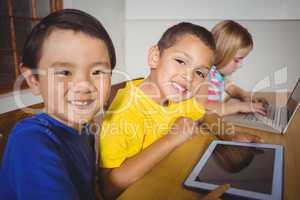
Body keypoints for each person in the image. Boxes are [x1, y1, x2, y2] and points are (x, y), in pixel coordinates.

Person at [98, 22, 260, 200]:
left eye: (199, 73)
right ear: (155, 57)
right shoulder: (125, 111)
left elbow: (204, 113)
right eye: (180, 61)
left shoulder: (177, 99)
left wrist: (230, 135)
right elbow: (108, 188)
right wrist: (171, 139)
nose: (188, 77)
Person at [0, 9, 115, 200]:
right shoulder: (31, 142)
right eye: (64, 72)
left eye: (97, 72)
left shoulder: (84, 129)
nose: (84, 86)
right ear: (34, 80)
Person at [206, 20, 268, 116]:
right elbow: (206, 108)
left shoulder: (217, 75)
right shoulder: (205, 75)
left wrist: (245, 96)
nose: (240, 65)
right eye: (236, 60)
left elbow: (231, 88)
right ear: (221, 53)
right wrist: (239, 106)